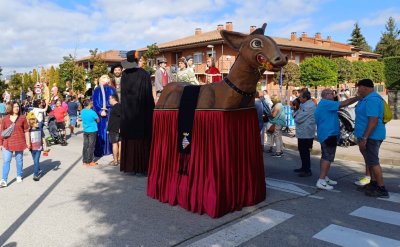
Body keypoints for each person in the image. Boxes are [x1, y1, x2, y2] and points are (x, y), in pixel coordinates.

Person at [314, 89, 360, 190]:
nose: (333, 95)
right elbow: (344, 103)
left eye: (333, 93)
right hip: (328, 134)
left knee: (326, 157)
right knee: (327, 157)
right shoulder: (327, 103)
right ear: (325, 95)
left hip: (328, 134)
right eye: (330, 93)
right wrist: (357, 97)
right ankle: (321, 180)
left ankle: (324, 177)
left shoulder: (325, 104)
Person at [120, 50, 155, 174]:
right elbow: (148, 96)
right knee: (141, 140)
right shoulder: (144, 74)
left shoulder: (124, 75)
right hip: (141, 114)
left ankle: (130, 167)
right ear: (136, 60)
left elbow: (122, 96)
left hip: (128, 115)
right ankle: (142, 167)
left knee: (130, 140)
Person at [354, 79, 389, 198]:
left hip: (372, 137)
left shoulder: (372, 100)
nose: (358, 89)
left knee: (373, 162)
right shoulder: (365, 99)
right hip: (367, 136)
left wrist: (365, 138)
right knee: (370, 161)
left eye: (359, 87)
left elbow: (373, 121)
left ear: (365, 87)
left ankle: (381, 188)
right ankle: (373, 183)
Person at [0, 101, 30, 187]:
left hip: (19, 142)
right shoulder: (5, 119)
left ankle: (19, 175)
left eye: (18, 106)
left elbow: (26, 130)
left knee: (19, 160)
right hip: (7, 143)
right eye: (15, 106)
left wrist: (28, 142)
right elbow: (1, 132)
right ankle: (4, 180)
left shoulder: (22, 118)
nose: (17, 108)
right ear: (11, 108)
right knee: (6, 161)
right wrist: (0, 143)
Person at [92, 74, 117, 158]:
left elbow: (115, 100)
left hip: (110, 112)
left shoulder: (112, 89)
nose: (105, 79)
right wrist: (100, 110)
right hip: (101, 113)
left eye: (106, 78)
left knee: (110, 130)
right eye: (103, 78)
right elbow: (95, 102)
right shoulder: (97, 89)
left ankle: (110, 149)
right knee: (101, 131)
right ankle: (101, 150)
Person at [293, 90, 316, 177]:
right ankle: (303, 167)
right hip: (303, 132)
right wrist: (296, 113)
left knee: (305, 152)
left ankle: (307, 170)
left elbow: (298, 118)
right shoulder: (304, 104)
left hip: (306, 133)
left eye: (300, 97)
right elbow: (296, 114)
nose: (299, 98)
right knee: (302, 151)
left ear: (305, 98)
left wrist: (295, 114)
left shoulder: (308, 106)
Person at [81, 100, 99, 166]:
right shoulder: (93, 112)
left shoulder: (82, 111)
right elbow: (98, 120)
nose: (92, 104)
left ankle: (84, 161)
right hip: (92, 130)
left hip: (85, 130)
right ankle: (90, 161)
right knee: (91, 146)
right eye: (91, 103)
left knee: (85, 146)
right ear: (89, 104)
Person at [27, 115, 44, 181]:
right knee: (35, 161)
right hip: (32, 148)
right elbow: (27, 139)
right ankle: (38, 168)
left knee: (36, 160)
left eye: (37, 122)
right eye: (36, 123)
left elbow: (43, 138)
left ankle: (35, 175)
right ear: (32, 124)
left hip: (39, 148)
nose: (37, 124)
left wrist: (45, 147)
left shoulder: (40, 129)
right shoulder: (29, 131)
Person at [107, 94, 121, 166]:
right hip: (116, 128)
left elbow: (121, 117)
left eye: (110, 98)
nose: (109, 100)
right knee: (119, 143)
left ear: (113, 99)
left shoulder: (117, 107)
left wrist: (120, 127)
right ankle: (119, 159)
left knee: (115, 144)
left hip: (115, 129)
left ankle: (116, 161)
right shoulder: (118, 106)